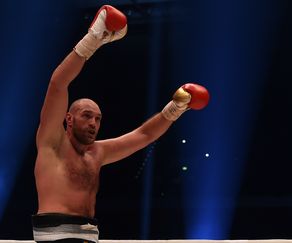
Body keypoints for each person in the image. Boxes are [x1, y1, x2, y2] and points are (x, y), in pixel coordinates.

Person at [32, 5, 209, 243]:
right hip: (56, 235)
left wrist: (175, 109)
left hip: (88, 235)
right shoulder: (52, 143)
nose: (93, 122)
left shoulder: (97, 153)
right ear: (69, 119)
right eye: (86, 115)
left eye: (98, 118)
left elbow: (144, 135)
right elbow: (58, 84)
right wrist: (91, 40)